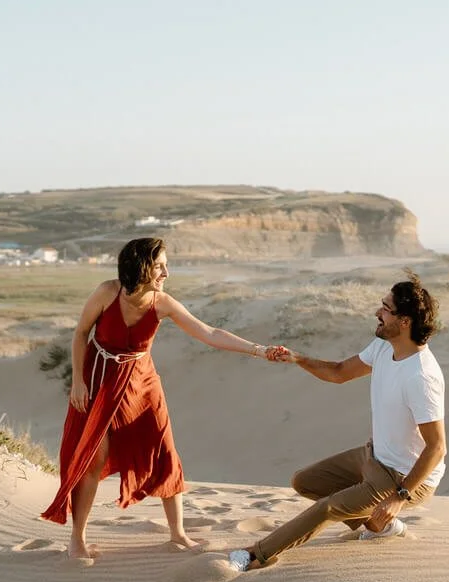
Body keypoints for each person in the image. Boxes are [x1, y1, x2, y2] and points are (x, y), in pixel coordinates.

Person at [41, 237, 280, 560]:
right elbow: (81, 333)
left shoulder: (162, 303)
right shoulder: (107, 292)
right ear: (140, 267)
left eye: (166, 266)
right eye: (159, 266)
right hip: (98, 379)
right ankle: (77, 540)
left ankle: (178, 533)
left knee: (165, 451)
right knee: (93, 457)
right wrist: (78, 382)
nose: (166, 273)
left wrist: (259, 350)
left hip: (142, 384)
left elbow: (209, 333)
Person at [232, 272, 446, 571]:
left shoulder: (421, 376)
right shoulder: (384, 347)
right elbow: (339, 372)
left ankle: (255, 556)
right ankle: (381, 527)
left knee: (328, 508)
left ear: (405, 321)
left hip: (403, 477)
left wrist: (399, 497)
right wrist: (298, 358)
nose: (378, 312)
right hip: (374, 457)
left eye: (386, 309)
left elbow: (437, 448)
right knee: (306, 482)